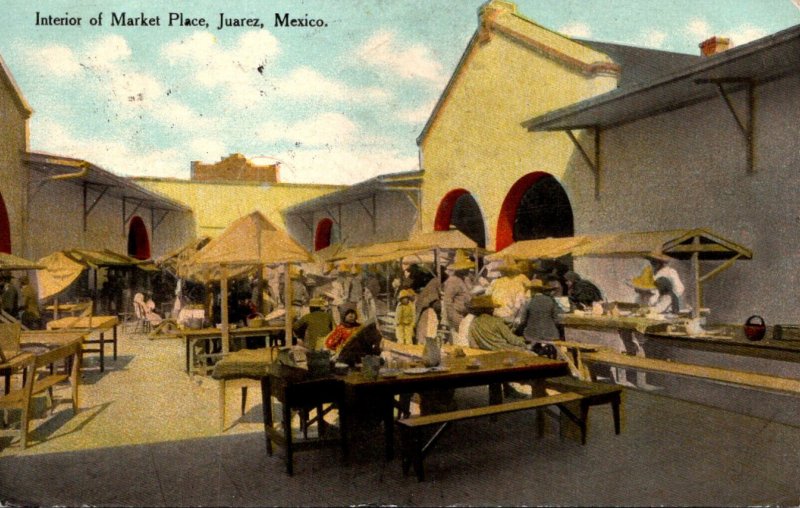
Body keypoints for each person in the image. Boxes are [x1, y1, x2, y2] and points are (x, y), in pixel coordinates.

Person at [466, 295, 530, 399]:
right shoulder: (496, 321)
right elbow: (512, 339)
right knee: (532, 355)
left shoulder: (473, 323)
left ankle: (509, 390)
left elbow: (473, 344)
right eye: (492, 308)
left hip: (487, 356)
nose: (494, 310)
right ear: (488, 309)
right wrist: (525, 342)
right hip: (505, 354)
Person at [487, 258, 529, 328]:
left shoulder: (495, 282)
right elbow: (520, 303)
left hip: (495, 315)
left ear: (502, 272)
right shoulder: (520, 282)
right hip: (510, 317)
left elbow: (487, 295)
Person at [518, 279, 562, 344]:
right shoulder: (550, 300)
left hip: (532, 336)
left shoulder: (529, 302)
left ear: (532, 291)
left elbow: (522, 321)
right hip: (551, 335)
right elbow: (557, 320)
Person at [442, 250, 473, 333]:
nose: (468, 270)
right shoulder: (453, 281)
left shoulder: (465, 279)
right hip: (457, 315)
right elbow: (447, 301)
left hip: (465, 314)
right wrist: (453, 318)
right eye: (466, 268)